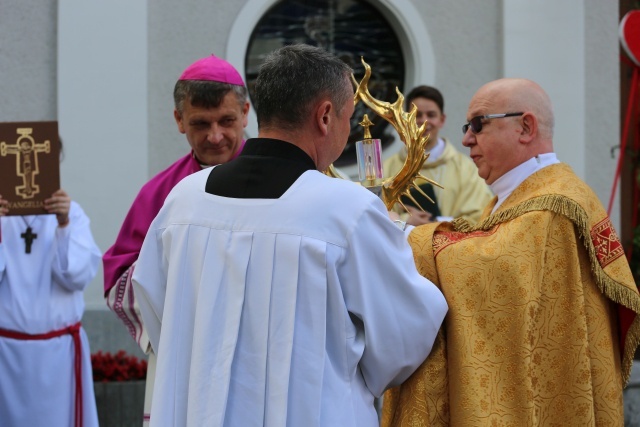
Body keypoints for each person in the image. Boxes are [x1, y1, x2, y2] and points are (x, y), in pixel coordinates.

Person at [132, 44, 448, 427]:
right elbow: (403, 336)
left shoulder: (183, 202)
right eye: (349, 117)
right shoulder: (347, 210)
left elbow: (157, 310)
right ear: (326, 116)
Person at [381, 78, 640, 426]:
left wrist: (403, 233)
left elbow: (490, 268)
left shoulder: (553, 206)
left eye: (478, 124)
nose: (466, 139)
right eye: (466, 127)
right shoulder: (525, 196)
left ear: (526, 127)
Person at [102, 53, 250, 425]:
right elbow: (119, 277)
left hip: (258, 350)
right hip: (186, 357)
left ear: (246, 113)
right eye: (201, 123)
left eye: (227, 121)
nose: (216, 136)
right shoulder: (159, 194)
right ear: (179, 120)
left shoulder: (285, 181)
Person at [0, 185, 101, 426]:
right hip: (5, 357)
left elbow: (77, 277)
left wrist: (63, 225)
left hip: (58, 357)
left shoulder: (72, 213)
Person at [383, 85, 493, 225]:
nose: (424, 121)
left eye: (431, 115)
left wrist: (435, 223)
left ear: (442, 119)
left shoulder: (466, 169)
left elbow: (480, 216)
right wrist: (405, 221)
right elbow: (376, 216)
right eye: (417, 115)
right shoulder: (388, 169)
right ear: (405, 120)